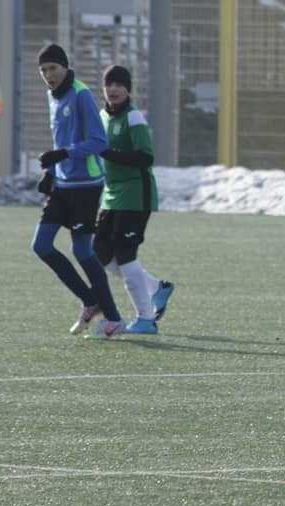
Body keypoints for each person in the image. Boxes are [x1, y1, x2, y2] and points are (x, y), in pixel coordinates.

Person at [32, 43, 125, 338]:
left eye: (53, 68)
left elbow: (99, 142)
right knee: (41, 245)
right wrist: (50, 172)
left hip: (86, 185)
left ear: (65, 67)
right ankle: (90, 301)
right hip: (62, 185)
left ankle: (113, 318)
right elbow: (60, 141)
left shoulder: (81, 94)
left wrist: (63, 154)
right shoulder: (52, 95)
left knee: (82, 250)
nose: (48, 75)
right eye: (43, 70)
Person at [95, 65, 175, 334]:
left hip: (135, 195)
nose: (114, 89)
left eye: (120, 84)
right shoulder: (101, 117)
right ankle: (156, 288)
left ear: (128, 90)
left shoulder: (134, 117)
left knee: (125, 255)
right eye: (109, 84)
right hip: (111, 195)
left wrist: (109, 154)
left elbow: (145, 157)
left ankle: (146, 319)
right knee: (99, 252)